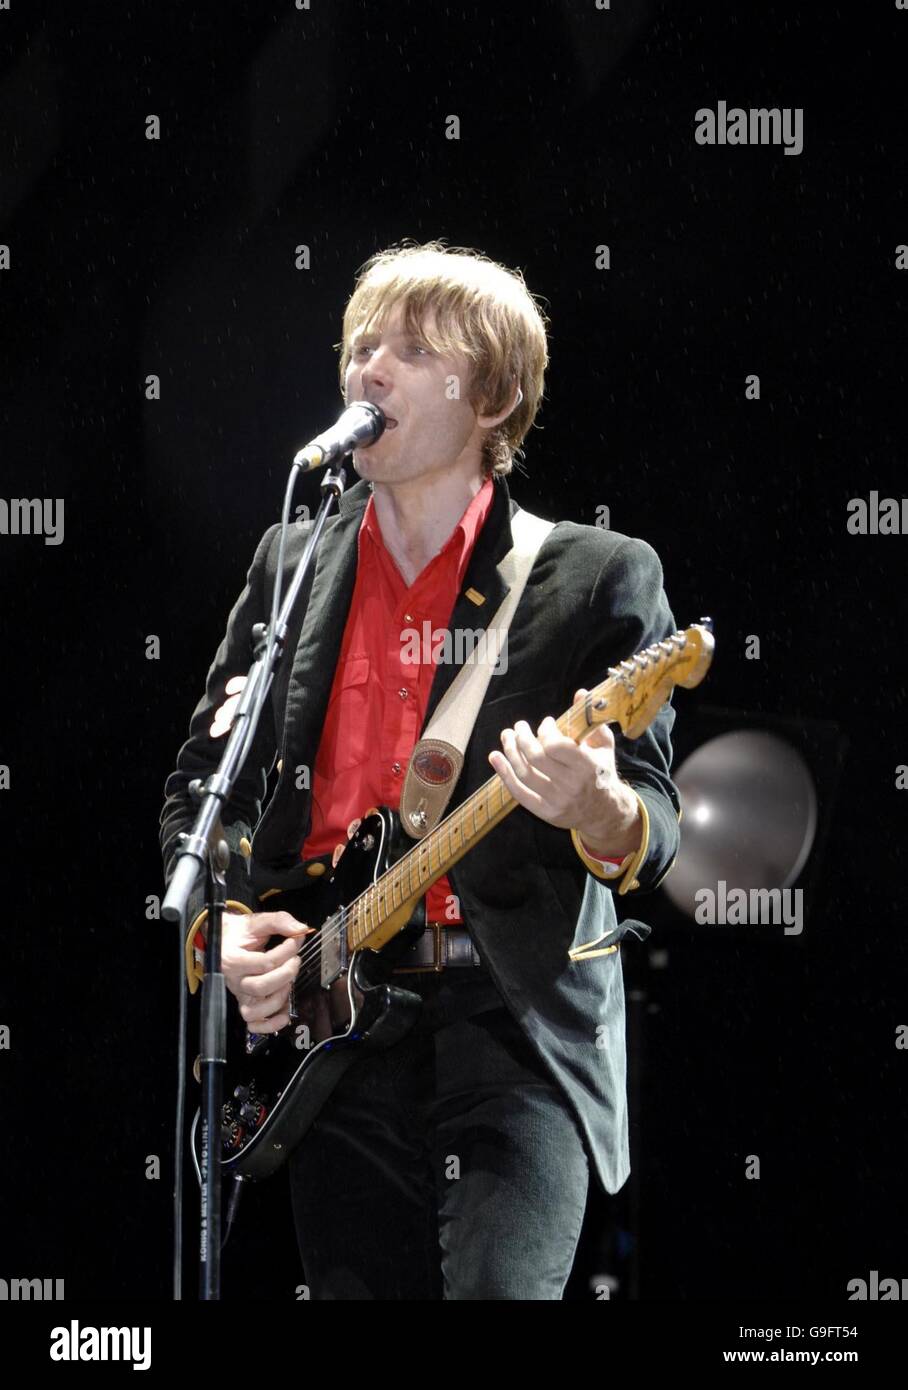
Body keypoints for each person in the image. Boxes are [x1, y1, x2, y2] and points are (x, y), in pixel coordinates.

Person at [160, 240, 682, 1300]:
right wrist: (224, 929)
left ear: (486, 395)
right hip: (330, 1033)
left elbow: (653, 819)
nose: (367, 371)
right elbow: (198, 789)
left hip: (513, 1027)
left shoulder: (592, 576)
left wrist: (600, 806)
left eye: (406, 350)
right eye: (358, 348)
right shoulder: (291, 563)